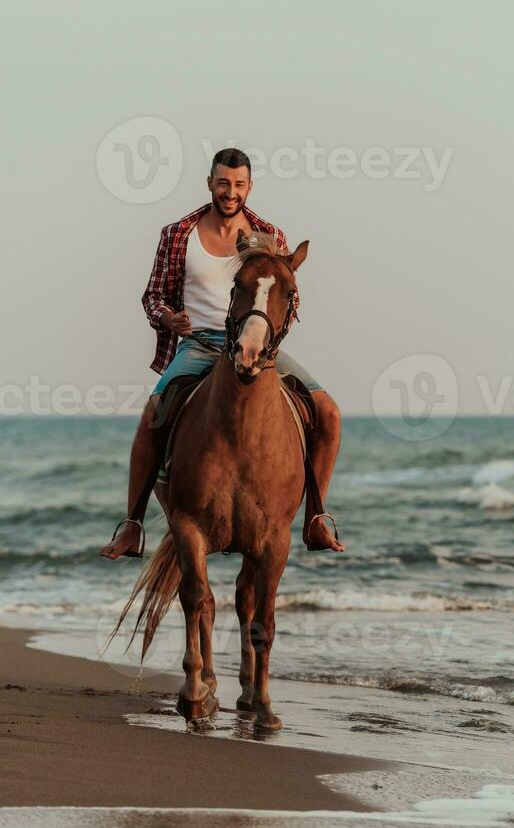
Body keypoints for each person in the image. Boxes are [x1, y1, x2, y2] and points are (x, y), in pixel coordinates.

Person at [100, 148, 344, 559]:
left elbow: (286, 297)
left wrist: (268, 331)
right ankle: (133, 524)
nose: (231, 192)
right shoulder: (178, 234)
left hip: (258, 344)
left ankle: (316, 518)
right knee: (153, 413)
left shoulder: (270, 236)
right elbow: (153, 296)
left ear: (249, 187)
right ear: (210, 183)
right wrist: (167, 318)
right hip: (200, 342)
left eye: (239, 184)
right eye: (223, 183)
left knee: (329, 413)